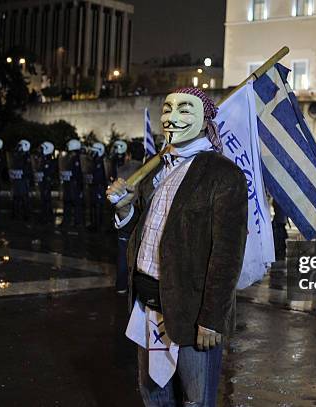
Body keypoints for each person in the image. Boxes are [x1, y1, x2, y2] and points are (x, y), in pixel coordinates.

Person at [107, 88, 247, 406]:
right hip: (148, 308)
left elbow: (227, 255)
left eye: (185, 110)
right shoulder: (158, 168)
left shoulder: (223, 175)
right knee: (154, 394)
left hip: (191, 313)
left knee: (196, 400)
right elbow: (146, 233)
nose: (172, 117)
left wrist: (211, 319)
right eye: (167, 109)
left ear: (204, 122)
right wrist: (124, 210)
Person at [112, 140, 144, 294]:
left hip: (125, 212)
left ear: (129, 154)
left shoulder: (121, 169)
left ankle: (121, 285)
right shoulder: (147, 170)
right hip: (140, 212)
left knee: (123, 250)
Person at [60, 139, 84, 227]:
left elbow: (78, 174)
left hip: (74, 185)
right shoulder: (68, 157)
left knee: (75, 204)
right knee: (67, 202)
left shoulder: (78, 158)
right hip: (69, 184)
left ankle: (77, 222)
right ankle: (66, 221)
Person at [9, 139, 33, 220]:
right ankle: (16, 214)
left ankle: (26, 215)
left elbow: (27, 170)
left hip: (23, 180)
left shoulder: (26, 157)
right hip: (17, 179)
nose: (18, 148)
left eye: (20, 146)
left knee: (24, 197)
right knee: (16, 197)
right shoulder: (17, 155)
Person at [87, 142, 107, 231]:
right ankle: (94, 224)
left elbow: (99, 176)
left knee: (98, 206)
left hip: (99, 187)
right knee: (94, 205)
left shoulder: (101, 161)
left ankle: (98, 225)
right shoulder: (95, 161)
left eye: (94, 151)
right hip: (95, 186)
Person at [35, 141, 56, 223]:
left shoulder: (49, 160)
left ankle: (47, 217)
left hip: (46, 182)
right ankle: (46, 215)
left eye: (42, 148)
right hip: (43, 182)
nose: (40, 150)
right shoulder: (43, 159)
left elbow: (48, 172)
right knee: (44, 199)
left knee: (46, 199)